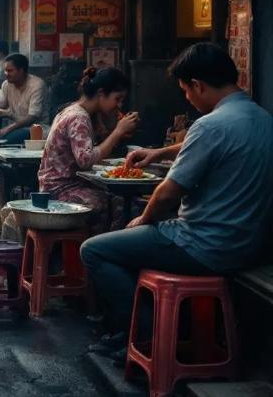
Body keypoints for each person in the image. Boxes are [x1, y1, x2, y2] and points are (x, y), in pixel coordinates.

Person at [80, 43, 273, 358]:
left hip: (204, 245)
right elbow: (209, 147)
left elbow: (169, 191)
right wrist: (159, 152)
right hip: (250, 244)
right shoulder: (262, 118)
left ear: (197, 85)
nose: (187, 98)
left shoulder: (209, 125)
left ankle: (145, 334)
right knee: (131, 244)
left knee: (95, 250)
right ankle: (154, 329)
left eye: (186, 90)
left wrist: (144, 220)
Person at [38, 67, 138, 232]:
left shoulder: (74, 110)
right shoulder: (78, 117)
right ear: (101, 93)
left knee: (121, 200)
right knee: (121, 205)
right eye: (117, 99)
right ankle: (97, 251)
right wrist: (118, 131)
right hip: (60, 190)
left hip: (64, 185)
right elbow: (86, 161)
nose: (119, 106)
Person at [0, 53, 48, 143]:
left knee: (4, 140)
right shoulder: (6, 84)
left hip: (35, 129)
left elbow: (31, 117)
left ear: (21, 70)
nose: (6, 74)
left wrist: (8, 128)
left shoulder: (37, 85)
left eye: (10, 71)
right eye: (5, 71)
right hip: (15, 127)